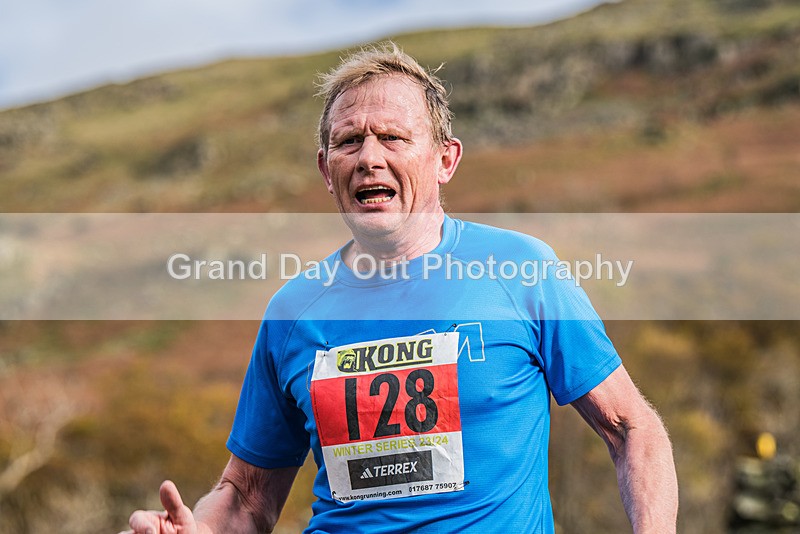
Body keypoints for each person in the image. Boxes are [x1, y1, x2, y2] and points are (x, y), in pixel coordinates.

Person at [125, 42, 678, 534]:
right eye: (349, 142)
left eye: (392, 137)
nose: (369, 158)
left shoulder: (521, 271)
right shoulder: (293, 312)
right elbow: (247, 498)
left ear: (445, 159)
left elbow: (631, 429)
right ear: (325, 168)